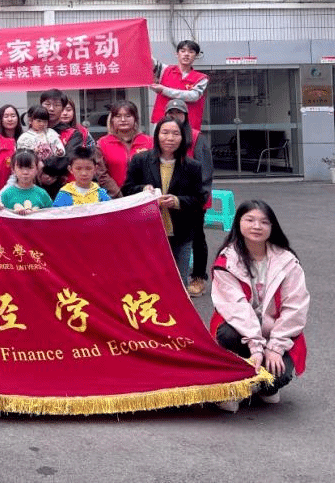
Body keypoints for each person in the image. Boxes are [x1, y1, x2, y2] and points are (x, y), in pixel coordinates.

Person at [210, 200, 309, 412]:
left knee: (278, 376)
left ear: (272, 227)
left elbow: (295, 308)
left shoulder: (287, 261)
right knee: (227, 333)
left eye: (264, 222)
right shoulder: (227, 261)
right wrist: (256, 348)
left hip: (276, 333)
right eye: (250, 220)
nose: (257, 226)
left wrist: (274, 348)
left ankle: (260, 387)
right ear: (238, 223)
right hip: (240, 331)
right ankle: (233, 383)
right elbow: (236, 309)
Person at [122, 118, 205, 279]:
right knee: (150, 280)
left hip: (181, 233)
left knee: (179, 281)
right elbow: (126, 189)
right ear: (157, 135)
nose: (170, 138)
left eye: (176, 134)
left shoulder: (193, 166)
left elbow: (199, 198)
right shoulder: (141, 160)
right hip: (147, 232)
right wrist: (143, 190)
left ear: (183, 137)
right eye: (165, 132)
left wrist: (177, 201)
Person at [163, 98, 214, 297]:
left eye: (179, 113)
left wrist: (198, 197)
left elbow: (205, 171)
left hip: (194, 199)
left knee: (197, 237)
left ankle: (199, 277)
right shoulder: (162, 137)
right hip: (170, 199)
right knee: (172, 237)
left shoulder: (196, 137)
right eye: (171, 113)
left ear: (185, 115)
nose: (175, 116)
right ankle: (173, 277)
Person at [152, 39, 209, 132]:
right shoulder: (164, 70)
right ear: (176, 54)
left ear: (196, 56)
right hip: (162, 123)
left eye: (191, 52)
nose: (186, 54)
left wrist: (164, 90)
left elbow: (193, 96)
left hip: (188, 126)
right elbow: (149, 61)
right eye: (183, 51)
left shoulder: (201, 78)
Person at [97, 100, 153, 191]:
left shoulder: (149, 142)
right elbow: (101, 174)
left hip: (144, 194)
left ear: (135, 119)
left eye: (128, 116)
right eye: (118, 116)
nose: (123, 120)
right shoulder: (103, 143)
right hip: (114, 196)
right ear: (112, 120)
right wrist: (118, 194)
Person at [41, 89, 91, 155]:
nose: (51, 109)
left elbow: (69, 158)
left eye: (57, 105)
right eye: (47, 104)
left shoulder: (74, 134)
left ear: (62, 108)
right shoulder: (33, 131)